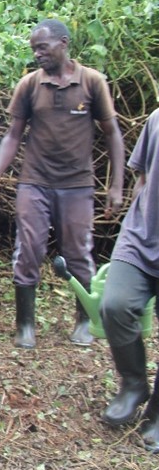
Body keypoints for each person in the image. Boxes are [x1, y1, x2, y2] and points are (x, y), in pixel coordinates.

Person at [0, 19, 125, 348]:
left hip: (77, 185)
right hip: (35, 182)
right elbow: (13, 134)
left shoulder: (91, 82)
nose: (37, 54)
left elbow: (112, 132)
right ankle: (25, 326)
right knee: (28, 250)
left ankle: (84, 321)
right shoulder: (30, 85)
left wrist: (116, 185)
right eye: (33, 49)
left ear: (63, 43)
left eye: (42, 47)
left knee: (78, 253)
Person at [99, 108, 159, 452]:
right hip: (142, 236)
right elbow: (143, 177)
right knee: (115, 306)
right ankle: (134, 383)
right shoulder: (156, 119)